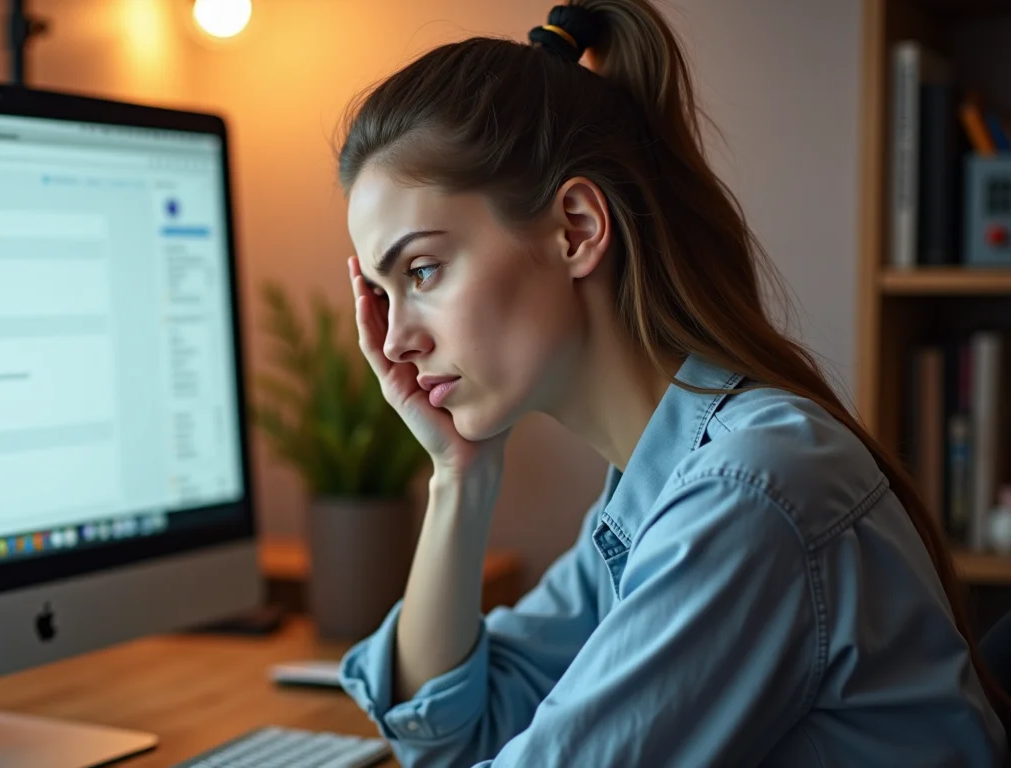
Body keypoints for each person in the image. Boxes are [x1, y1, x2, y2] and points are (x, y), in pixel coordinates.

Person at [334, 1, 1009, 766]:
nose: (396, 339)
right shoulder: (649, 492)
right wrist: (460, 477)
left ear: (577, 229)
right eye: (382, 293)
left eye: (422, 270)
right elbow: (456, 733)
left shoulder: (743, 496)